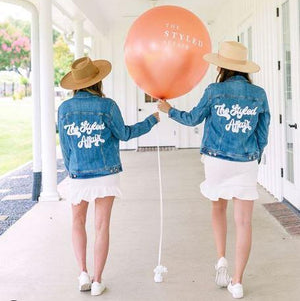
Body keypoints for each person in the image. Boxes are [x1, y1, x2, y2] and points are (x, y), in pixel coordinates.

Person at [158, 41, 270, 299]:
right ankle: (238, 282)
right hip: (246, 161)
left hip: (216, 161)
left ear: (222, 66)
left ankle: (221, 258)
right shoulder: (259, 95)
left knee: (218, 207)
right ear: (244, 68)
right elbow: (262, 134)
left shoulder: (214, 91)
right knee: (244, 222)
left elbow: (194, 118)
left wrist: (169, 110)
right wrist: (254, 156)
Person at [58, 57, 159, 296]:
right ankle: (97, 281)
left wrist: (73, 170)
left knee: (77, 222)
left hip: (78, 173)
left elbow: (65, 146)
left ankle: (83, 272)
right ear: (98, 81)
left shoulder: (64, 109)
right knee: (102, 226)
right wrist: (151, 121)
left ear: (76, 84)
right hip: (106, 173)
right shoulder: (107, 106)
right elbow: (124, 134)